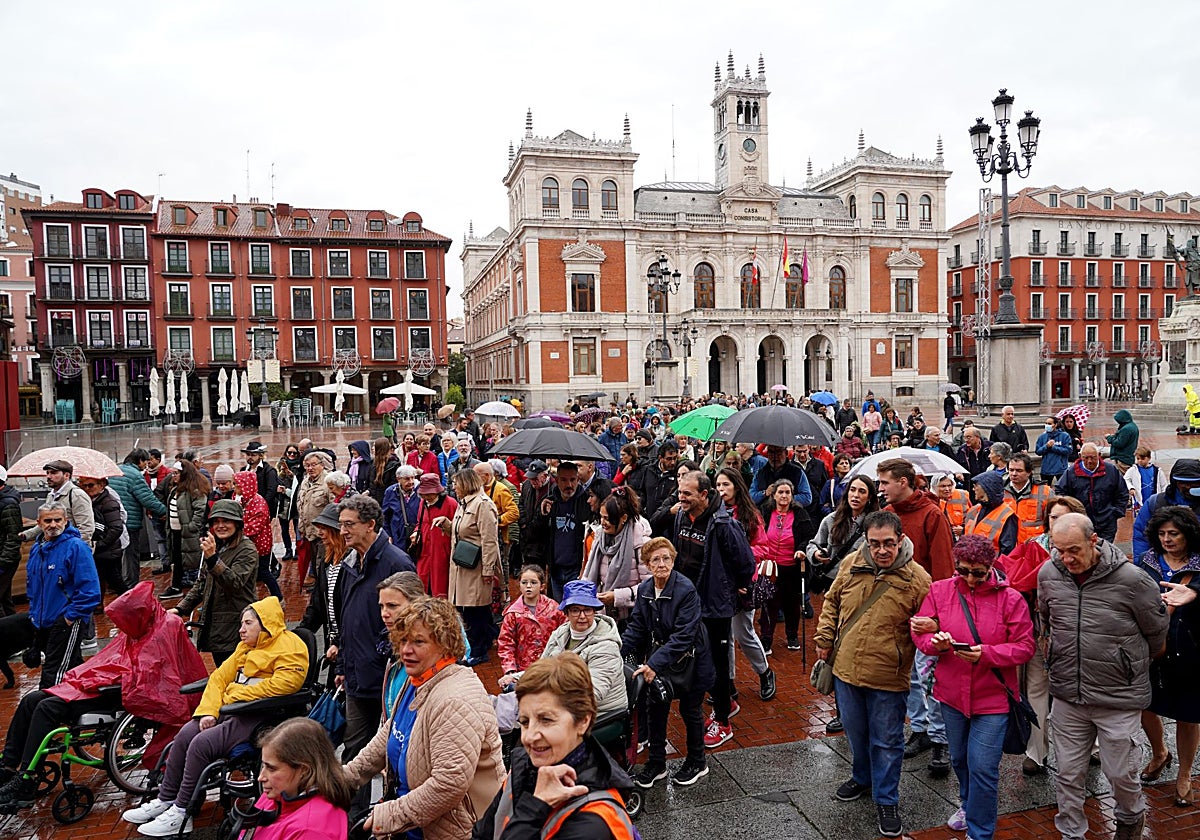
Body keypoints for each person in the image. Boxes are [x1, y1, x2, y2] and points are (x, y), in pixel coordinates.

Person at [0, 581, 207, 811]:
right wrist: (96, 675)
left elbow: (155, 677)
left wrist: (109, 678)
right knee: (31, 700)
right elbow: (115, 658)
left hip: (124, 693)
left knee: (47, 707)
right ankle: (8, 766)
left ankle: (27, 778)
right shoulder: (138, 626)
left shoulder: (165, 629)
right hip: (110, 684)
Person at [122, 597, 308, 837]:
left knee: (201, 744)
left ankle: (182, 811)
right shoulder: (246, 647)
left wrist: (235, 694)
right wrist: (209, 711)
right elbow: (219, 679)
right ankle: (166, 798)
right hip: (232, 710)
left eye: (248, 623)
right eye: (241, 624)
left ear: (265, 624)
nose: (241, 630)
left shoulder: (291, 646)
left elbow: (286, 684)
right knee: (185, 734)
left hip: (262, 716)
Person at [1038, 512, 1168, 840]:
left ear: (1093, 541)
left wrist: (1126, 663)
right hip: (1068, 693)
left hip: (1118, 696)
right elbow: (1046, 620)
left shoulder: (1133, 580)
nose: (1066, 559)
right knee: (1067, 773)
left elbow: (1156, 634)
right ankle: (1071, 833)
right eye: (1059, 550)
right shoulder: (1048, 573)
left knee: (1121, 773)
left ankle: (1130, 819)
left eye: (1074, 550)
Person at [343, 596, 505, 839]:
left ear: (445, 643)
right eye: (403, 640)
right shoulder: (419, 678)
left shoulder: (455, 701)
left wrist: (389, 815)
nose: (406, 650)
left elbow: (449, 783)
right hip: (413, 826)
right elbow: (392, 732)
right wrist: (347, 777)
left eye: (418, 641)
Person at [814, 510, 932, 839]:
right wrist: (824, 638)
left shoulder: (918, 579)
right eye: (875, 543)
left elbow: (930, 623)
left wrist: (930, 630)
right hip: (846, 670)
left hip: (888, 676)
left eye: (888, 543)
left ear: (901, 540)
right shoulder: (852, 563)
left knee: (887, 741)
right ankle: (862, 777)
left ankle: (886, 799)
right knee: (856, 733)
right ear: (866, 541)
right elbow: (832, 602)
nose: (881, 550)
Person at [910, 535, 1035, 840]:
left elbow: (1025, 647)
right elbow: (920, 631)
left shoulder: (1011, 599)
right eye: (963, 571)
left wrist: (986, 654)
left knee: (983, 767)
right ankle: (968, 805)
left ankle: (980, 833)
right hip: (952, 696)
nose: (969, 579)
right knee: (959, 759)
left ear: (991, 567)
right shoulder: (940, 591)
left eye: (978, 573)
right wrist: (936, 642)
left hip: (994, 699)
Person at [473, 653, 637, 840]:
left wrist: (534, 807)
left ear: (583, 721)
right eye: (525, 722)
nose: (529, 737)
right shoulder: (522, 765)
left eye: (546, 720)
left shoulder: (595, 822)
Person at [335, 493, 415, 809]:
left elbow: (410, 619)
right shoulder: (350, 562)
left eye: (349, 524)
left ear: (370, 524)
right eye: (341, 524)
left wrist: (383, 655)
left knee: (397, 750)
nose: (342, 530)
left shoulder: (396, 562)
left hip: (388, 677)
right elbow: (346, 618)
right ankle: (353, 819)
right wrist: (342, 665)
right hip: (357, 675)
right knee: (355, 750)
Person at [875, 458, 953, 777]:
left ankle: (940, 739)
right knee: (909, 675)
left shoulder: (932, 515)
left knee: (930, 676)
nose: (880, 488)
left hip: (926, 609)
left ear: (903, 482)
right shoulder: (887, 514)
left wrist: (939, 615)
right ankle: (919, 730)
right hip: (895, 607)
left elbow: (943, 569)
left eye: (885, 482)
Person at [668, 470, 755, 750]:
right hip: (690, 601)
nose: (681, 498)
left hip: (715, 605)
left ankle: (723, 722)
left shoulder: (724, 524)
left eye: (687, 494)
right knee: (699, 660)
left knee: (716, 663)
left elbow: (746, 562)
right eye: (680, 492)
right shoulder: (682, 516)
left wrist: (734, 587)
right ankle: (725, 702)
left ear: (704, 495)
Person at [1002, 495, 1087, 775]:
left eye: (1064, 517)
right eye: (1053, 517)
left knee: (1081, 689)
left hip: (1078, 633)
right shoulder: (1032, 545)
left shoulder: (1091, 549)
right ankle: (1036, 752)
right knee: (1036, 688)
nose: (1057, 522)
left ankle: (1093, 747)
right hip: (1040, 630)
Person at [621, 538, 714, 789]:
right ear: (647, 564)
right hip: (662, 654)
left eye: (666, 558)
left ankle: (697, 761)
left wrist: (653, 664)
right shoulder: (645, 589)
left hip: (692, 657)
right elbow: (637, 627)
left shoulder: (686, 589)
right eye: (656, 559)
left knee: (690, 709)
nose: (661, 564)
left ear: (673, 561)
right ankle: (657, 763)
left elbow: (684, 636)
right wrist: (617, 652)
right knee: (656, 707)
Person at [1133, 505, 1200, 805]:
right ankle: (1160, 752)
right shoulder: (1146, 562)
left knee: (1189, 714)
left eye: (1174, 533)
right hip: (1151, 648)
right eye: (1161, 534)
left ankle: (1185, 775)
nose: (1167, 539)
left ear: (1188, 534)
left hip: (1190, 648)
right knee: (1144, 704)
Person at [171, 499, 259, 666]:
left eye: (226, 521)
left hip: (236, 625)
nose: (221, 526)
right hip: (216, 626)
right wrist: (180, 608)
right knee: (223, 671)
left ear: (237, 523)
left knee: (236, 673)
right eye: (216, 522)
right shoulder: (217, 546)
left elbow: (235, 583)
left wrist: (213, 559)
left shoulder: (246, 549)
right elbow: (202, 583)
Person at [23, 501, 101, 689]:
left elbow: (90, 590)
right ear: (39, 523)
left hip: (66, 620)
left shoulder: (76, 547)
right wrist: (34, 616)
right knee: (71, 666)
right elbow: (33, 586)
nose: (53, 525)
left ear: (66, 521)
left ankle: (46, 704)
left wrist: (69, 617)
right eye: (47, 521)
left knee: (55, 672)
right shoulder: (37, 548)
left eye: (58, 520)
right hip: (44, 621)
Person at [715, 467, 777, 703]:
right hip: (720, 583)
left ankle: (765, 672)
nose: (721, 490)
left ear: (736, 486)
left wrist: (739, 553)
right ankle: (728, 682)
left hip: (742, 581)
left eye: (726, 485)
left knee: (743, 632)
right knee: (724, 636)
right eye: (718, 485)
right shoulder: (713, 513)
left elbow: (763, 547)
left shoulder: (750, 514)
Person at [245, 717, 354, 840]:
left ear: (304, 770)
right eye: (263, 766)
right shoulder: (277, 794)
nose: (261, 777)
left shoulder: (311, 831)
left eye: (271, 768)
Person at [539, 580, 627, 716]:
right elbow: (541, 668)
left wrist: (549, 701)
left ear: (594, 611)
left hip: (599, 713)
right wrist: (517, 679)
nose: (582, 616)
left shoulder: (606, 646)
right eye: (575, 610)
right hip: (566, 705)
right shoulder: (560, 633)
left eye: (587, 610)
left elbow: (592, 694)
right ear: (566, 613)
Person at [448, 468, 502, 665]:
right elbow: (462, 532)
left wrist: (488, 570)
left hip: (476, 567)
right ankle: (491, 636)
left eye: (456, 484)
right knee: (472, 608)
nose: (454, 487)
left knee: (475, 609)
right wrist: (446, 525)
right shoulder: (464, 503)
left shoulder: (483, 505)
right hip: (462, 566)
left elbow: (489, 540)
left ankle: (479, 650)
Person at [758, 477, 814, 654]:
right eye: (780, 492)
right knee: (769, 604)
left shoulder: (800, 514)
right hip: (770, 568)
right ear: (773, 495)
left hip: (791, 567)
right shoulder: (765, 512)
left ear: (792, 495)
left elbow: (808, 537)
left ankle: (792, 636)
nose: (784, 496)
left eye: (787, 492)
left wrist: (801, 550)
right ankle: (766, 639)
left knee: (792, 605)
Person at [581, 485, 649, 621]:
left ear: (623, 518)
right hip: (603, 613)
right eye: (601, 517)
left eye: (607, 518)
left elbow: (649, 586)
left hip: (632, 617)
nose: (603, 523)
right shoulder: (599, 538)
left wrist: (617, 596)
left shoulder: (641, 543)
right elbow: (588, 574)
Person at [299, 504, 349, 677]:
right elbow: (318, 604)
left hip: (347, 645)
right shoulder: (327, 561)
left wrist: (340, 643)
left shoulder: (351, 563)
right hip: (332, 645)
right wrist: (299, 634)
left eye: (324, 528)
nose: (319, 533)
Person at [497, 565, 565, 687]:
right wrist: (510, 670)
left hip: (551, 667)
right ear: (519, 585)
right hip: (523, 670)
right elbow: (506, 643)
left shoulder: (554, 608)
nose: (528, 586)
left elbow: (565, 633)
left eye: (533, 582)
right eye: (524, 582)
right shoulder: (513, 613)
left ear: (542, 586)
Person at [1055, 442, 1129, 543]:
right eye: (1085, 458)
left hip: (1107, 521)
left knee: (1104, 549)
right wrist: (1070, 512)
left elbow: (1122, 492)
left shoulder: (1111, 470)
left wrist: (1116, 512)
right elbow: (1060, 492)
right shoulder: (1071, 472)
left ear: (1099, 455)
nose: (1089, 461)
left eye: (1093, 458)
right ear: (1080, 456)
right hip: (1081, 522)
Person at [111, 448, 167, 580]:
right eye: (145, 461)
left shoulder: (116, 471)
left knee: (117, 556)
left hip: (113, 521)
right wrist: (164, 511)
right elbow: (148, 499)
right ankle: (130, 584)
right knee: (131, 556)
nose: (146, 465)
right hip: (130, 522)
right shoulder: (135, 476)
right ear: (140, 460)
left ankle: (118, 583)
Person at [538, 461, 590, 599]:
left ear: (578, 480)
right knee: (558, 608)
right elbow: (537, 532)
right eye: (564, 480)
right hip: (556, 568)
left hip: (576, 568)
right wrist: (543, 514)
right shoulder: (550, 501)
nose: (569, 485)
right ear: (557, 480)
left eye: (572, 480)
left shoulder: (586, 502)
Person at [159, 459, 210, 599]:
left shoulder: (194, 490)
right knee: (177, 559)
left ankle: (200, 588)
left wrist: (191, 527)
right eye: (173, 473)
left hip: (187, 533)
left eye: (176, 473)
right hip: (175, 532)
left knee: (193, 561)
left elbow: (200, 510)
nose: (173, 476)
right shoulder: (176, 489)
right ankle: (176, 586)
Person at [1133, 458, 1200, 560]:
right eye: (1183, 483)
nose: (1188, 487)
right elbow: (1141, 536)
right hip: (1162, 565)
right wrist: (1142, 563)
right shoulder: (1156, 503)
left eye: (1194, 483)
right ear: (1175, 482)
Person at [233, 471, 282, 601]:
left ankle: (278, 596)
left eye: (236, 484)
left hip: (260, 545)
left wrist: (235, 530)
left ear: (244, 485)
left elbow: (253, 527)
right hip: (246, 545)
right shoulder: (240, 498)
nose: (234, 487)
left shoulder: (259, 503)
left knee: (263, 572)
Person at [22, 459, 94, 547]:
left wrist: (75, 549)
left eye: (53, 473)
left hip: (71, 549)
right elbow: (45, 524)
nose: (48, 476)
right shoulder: (51, 495)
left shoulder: (77, 495)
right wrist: (25, 535)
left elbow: (86, 529)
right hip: (54, 547)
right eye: (47, 473)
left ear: (66, 475)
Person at [78, 474, 128, 598]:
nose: (87, 488)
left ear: (101, 485)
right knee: (99, 581)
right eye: (83, 486)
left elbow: (116, 528)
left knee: (116, 583)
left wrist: (100, 544)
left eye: (90, 485)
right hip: (98, 550)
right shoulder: (89, 501)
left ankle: (135, 605)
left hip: (107, 551)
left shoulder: (108, 502)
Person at [412, 472, 457, 599]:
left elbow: (457, 528)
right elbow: (420, 523)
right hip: (424, 552)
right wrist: (416, 532)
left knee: (441, 586)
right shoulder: (423, 503)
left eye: (429, 494)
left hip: (442, 552)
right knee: (423, 585)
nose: (426, 497)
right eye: (424, 494)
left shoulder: (450, 504)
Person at [626, 439, 679, 537]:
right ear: (660, 458)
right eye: (669, 459)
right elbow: (642, 493)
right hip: (649, 520)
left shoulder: (677, 474)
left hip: (668, 524)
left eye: (674, 458)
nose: (672, 462)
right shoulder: (649, 470)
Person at [296, 450, 333, 586]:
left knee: (322, 566)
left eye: (313, 465)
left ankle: (323, 591)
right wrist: (301, 528)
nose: (310, 468)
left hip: (324, 534)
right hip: (309, 533)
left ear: (322, 465)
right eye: (307, 465)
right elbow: (301, 506)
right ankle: (318, 588)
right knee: (315, 565)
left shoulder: (328, 482)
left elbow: (334, 508)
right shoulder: (305, 482)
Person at [962, 471, 1018, 556]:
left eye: (976, 486)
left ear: (986, 488)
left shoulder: (1007, 515)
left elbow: (1007, 551)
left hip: (991, 564)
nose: (973, 489)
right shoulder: (976, 510)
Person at [1004, 453, 1053, 545]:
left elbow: (1054, 521)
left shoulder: (1045, 492)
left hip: (1034, 546)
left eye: (1019, 470)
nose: (1014, 474)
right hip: (1007, 546)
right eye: (1011, 470)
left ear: (1029, 472)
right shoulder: (1000, 491)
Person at [0, 468, 22, 617]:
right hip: (4, 557)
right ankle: (14, 627)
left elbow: (14, 536)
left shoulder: (8, 503)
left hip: (5, 558)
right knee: (5, 599)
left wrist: (3, 563)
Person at [240, 441, 280, 521]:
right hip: (246, 509)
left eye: (253, 455)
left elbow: (271, 492)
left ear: (260, 456)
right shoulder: (243, 470)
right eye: (248, 454)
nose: (250, 457)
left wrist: (261, 506)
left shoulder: (269, 471)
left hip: (262, 510)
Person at [276, 445, 302, 561]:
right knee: (284, 528)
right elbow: (276, 479)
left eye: (294, 453)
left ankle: (297, 550)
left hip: (295, 501)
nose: (291, 455)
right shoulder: (280, 465)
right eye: (289, 452)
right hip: (283, 501)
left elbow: (299, 483)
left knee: (297, 527)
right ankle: (288, 550)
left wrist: (292, 476)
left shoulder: (300, 466)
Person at [1035, 416, 1074, 483]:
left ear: (1055, 425)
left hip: (1060, 469)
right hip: (1046, 469)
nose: (1047, 425)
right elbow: (1038, 451)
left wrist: (1053, 447)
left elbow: (1068, 450)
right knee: (1045, 488)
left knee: (1062, 488)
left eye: (1049, 424)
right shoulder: (1042, 437)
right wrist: (1046, 446)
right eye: (1046, 423)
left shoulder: (1064, 436)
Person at [935, 474, 971, 541]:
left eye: (949, 485)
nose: (947, 489)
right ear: (935, 487)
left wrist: (964, 529)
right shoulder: (932, 500)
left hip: (963, 537)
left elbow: (972, 517)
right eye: (943, 486)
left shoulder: (963, 495)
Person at [367, 436, 402, 506]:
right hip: (373, 502)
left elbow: (394, 487)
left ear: (380, 449)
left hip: (387, 502)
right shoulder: (372, 463)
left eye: (374, 446)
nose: (372, 448)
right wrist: (368, 492)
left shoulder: (394, 465)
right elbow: (369, 483)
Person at [1105, 408, 1140, 475]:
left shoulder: (1126, 429)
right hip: (1127, 456)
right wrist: (1115, 436)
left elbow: (1119, 443)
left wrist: (1109, 438)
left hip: (1123, 458)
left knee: (1124, 477)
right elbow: (1123, 439)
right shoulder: (1132, 426)